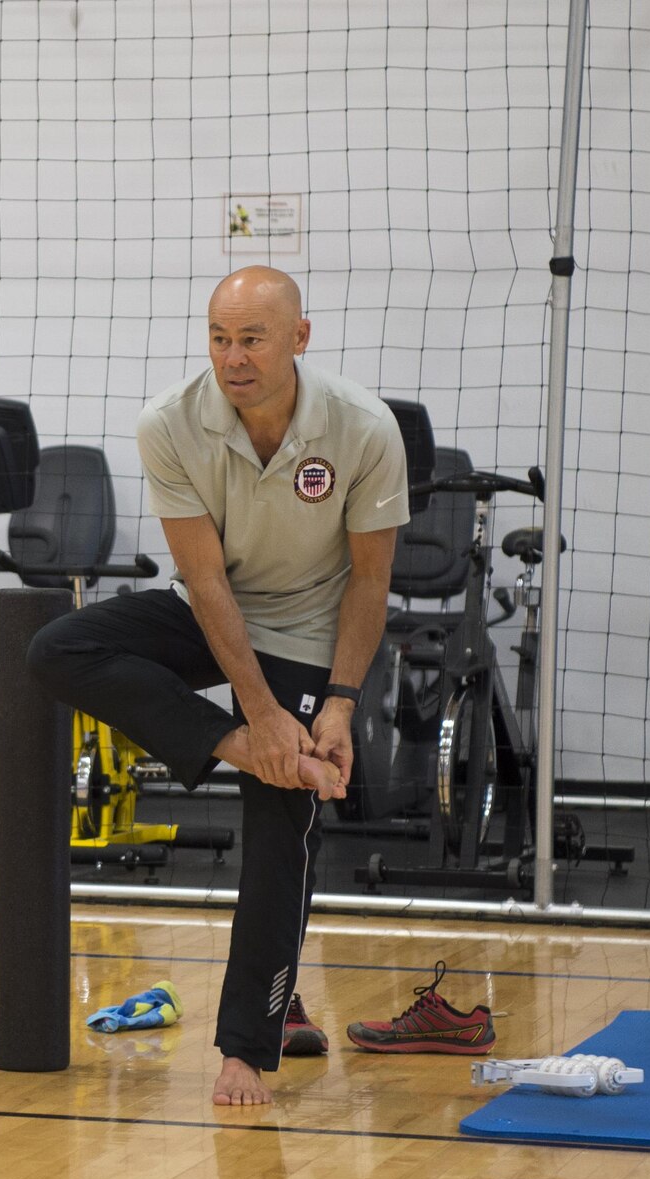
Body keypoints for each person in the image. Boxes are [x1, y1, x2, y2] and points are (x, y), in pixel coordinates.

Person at [28, 265, 408, 1106]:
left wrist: (336, 705)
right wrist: (256, 726)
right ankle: (231, 747)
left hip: (311, 624)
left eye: (253, 339)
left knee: (281, 824)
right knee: (59, 648)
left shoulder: (364, 429)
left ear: (299, 339)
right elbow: (204, 583)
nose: (232, 358)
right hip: (220, 608)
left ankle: (247, 1047)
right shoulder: (170, 423)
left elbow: (371, 583)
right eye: (219, 338)